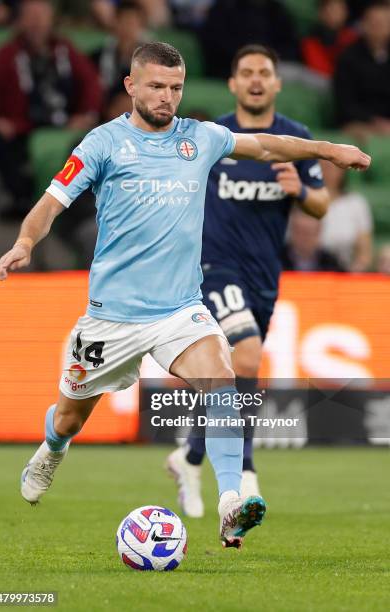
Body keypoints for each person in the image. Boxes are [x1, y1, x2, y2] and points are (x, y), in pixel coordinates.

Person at [0, 42, 370, 548]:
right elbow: (50, 204)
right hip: (113, 319)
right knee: (69, 416)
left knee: (221, 381)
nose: (167, 97)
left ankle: (231, 503)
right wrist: (22, 242)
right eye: (156, 86)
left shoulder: (200, 138)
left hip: (180, 310)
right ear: (130, 86)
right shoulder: (102, 144)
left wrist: (328, 151)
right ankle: (52, 449)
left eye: (175, 87)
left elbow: (264, 145)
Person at [166, 44, 331, 518]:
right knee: (249, 354)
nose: (256, 80)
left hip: (264, 274)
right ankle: (246, 470)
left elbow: (319, 204)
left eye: (265, 72)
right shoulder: (214, 136)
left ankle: (191, 453)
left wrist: (302, 192)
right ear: (233, 84)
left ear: (277, 84)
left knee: (231, 371)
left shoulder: (295, 138)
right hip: (214, 266)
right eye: (246, 73)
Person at [0, 0, 102, 220]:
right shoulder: (9, 52)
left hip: (64, 120)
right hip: (23, 124)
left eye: (41, 16)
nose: (36, 23)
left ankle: (80, 200)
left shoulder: (64, 49)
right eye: (31, 16)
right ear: (21, 21)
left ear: (50, 20)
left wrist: (86, 114)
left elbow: (91, 80)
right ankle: (22, 197)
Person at [333, 0, 390, 138]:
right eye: (373, 22)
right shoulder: (348, 58)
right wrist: (374, 120)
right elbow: (345, 104)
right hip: (359, 122)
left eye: (384, 22)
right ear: (363, 24)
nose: (378, 27)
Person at [200, 0, 299, 78]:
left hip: (275, 64)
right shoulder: (226, 7)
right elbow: (217, 46)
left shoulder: (276, 10)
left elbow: (290, 45)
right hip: (233, 68)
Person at [92, 0, 147, 121]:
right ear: (115, 23)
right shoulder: (98, 57)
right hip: (108, 113)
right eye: (124, 22)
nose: (128, 28)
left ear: (141, 26)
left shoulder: (155, 58)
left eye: (132, 23)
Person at [319, 160, 373, 271]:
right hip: (305, 273)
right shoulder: (300, 201)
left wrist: (354, 273)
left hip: (344, 273)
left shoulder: (356, 203)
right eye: (322, 166)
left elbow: (364, 253)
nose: (327, 171)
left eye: (332, 167)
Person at [301, 0, 358, 78]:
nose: (335, 14)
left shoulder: (353, 38)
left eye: (340, 9)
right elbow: (321, 70)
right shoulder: (311, 40)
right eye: (331, 9)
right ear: (321, 13)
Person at [282, 207, 344, 272]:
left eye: (309, 233)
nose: (304, 239)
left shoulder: (331, 263)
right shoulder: (276, 261)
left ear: (319, 232)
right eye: (300, 232)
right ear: (292, 231)